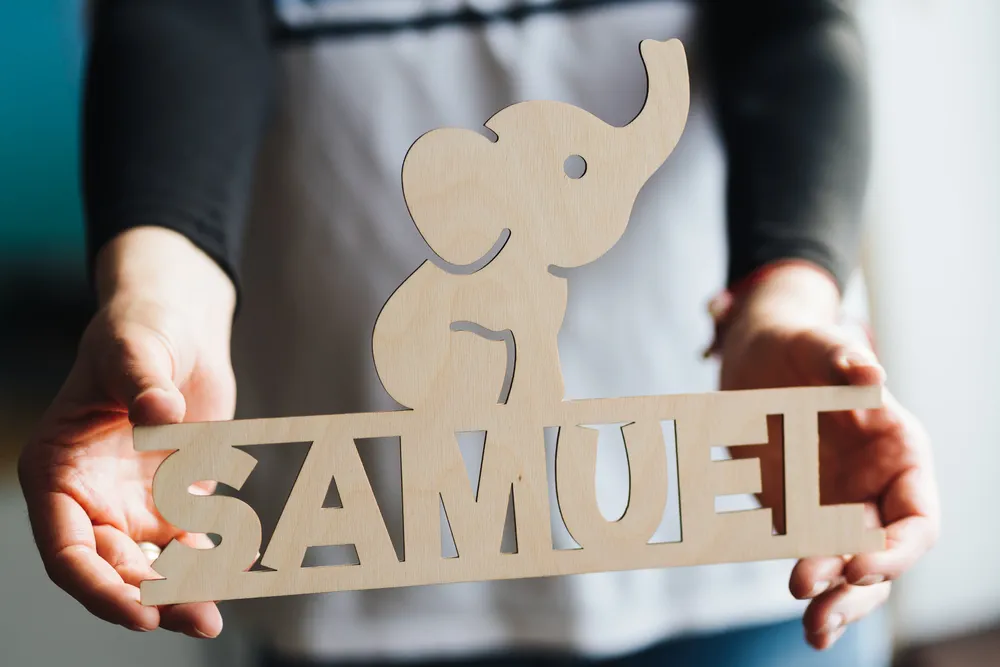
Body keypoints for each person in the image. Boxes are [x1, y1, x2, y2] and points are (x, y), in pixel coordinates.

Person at [19, 0, 940, 665]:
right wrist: (159, 301)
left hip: (741, 509)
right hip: (353, 558)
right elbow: (180, 23)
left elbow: (793, 24)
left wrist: (786, 296)